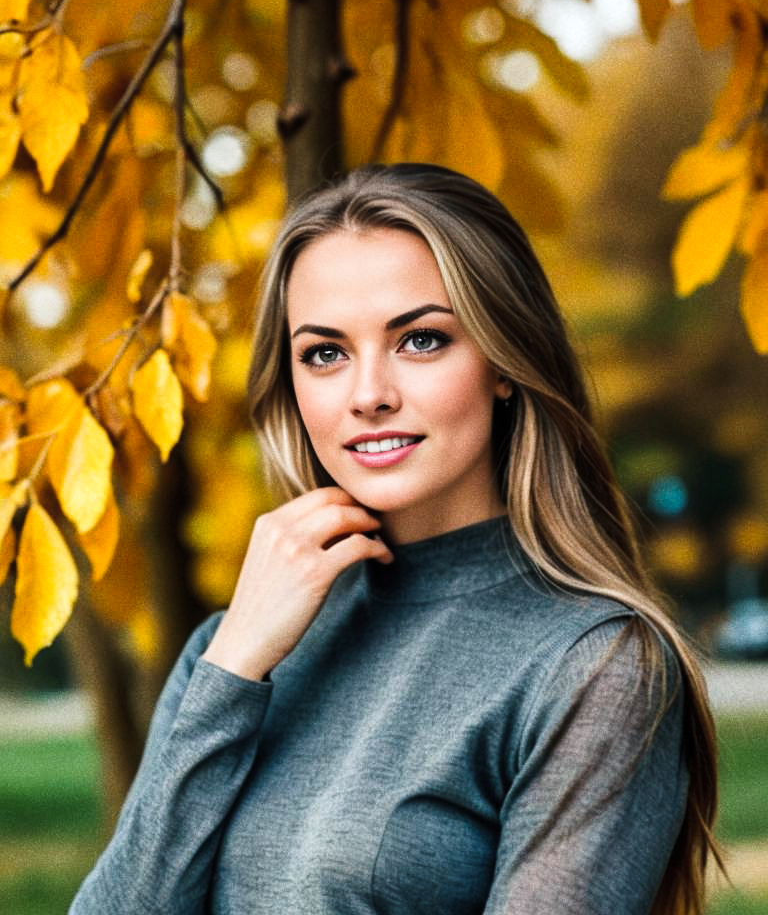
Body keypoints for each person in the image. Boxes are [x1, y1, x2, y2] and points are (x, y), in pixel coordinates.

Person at [70, 163, 721, 915]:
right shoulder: (235, 649)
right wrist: (234, 668)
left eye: (420, 340)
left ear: (503, 362)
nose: (368, 394)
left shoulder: (596, 668)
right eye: (325, 353)